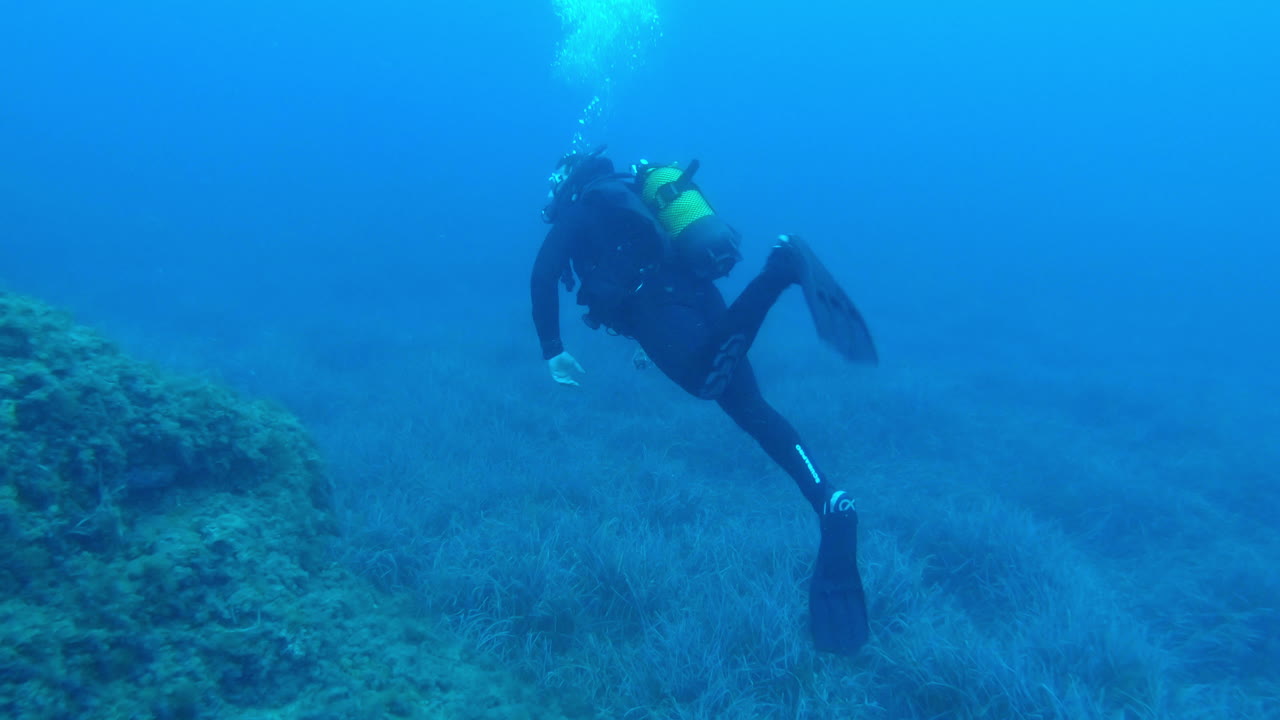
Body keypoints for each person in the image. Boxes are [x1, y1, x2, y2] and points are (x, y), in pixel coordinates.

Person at [529, 146, 876, 655]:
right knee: (751, 407)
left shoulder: (583, 210)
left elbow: (543, 273)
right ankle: (830, 502)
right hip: (691, 293)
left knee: (702, 380)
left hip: (660, 305)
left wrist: (551, 350)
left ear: (567, 183)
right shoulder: (632, 202)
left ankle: (781, 269)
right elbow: (640, 261)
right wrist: (647, 342)